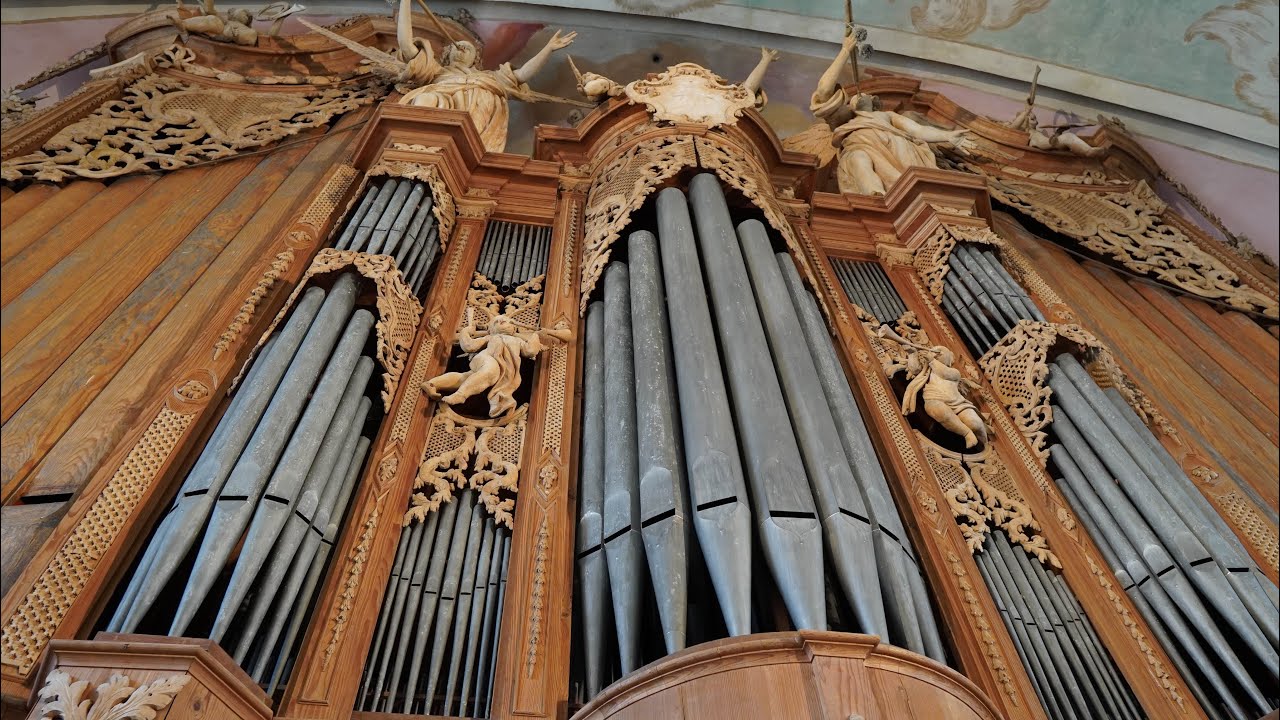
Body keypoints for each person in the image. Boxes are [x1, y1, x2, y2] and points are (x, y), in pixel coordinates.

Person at [812, 32, 974, 195]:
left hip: (902, 154)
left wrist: (947, 136)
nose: (861, 95)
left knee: (914, 185)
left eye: (866, 95)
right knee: (858, 159)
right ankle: (875, 198)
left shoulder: (887, 116)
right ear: (849, 106)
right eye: (854, 97)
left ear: (874, 103)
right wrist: (845, 50)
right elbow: (824, 89)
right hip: (863, 151)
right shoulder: (846, 120)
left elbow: (917, 130)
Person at [425, 314, 573, 418]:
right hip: (484, 359)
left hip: (502, 370)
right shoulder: (491, 337)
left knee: (465, 378)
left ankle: (432, 384)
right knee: (491, 368)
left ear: (514, 328)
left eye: (505, 320)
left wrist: (535, 336)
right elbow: (469, 346)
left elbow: (530, 351)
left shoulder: (517, 341)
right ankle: (460, 395)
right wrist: (466, 331)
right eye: (496, 321)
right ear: (491, 329)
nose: (501, 321)